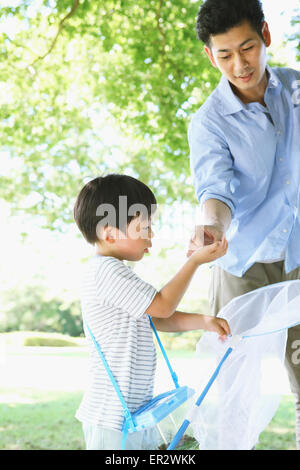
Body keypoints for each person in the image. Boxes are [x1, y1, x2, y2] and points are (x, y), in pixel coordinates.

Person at [187, 0, 300, 449]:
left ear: (266, 36)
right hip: (243, 265)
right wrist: (211, 228)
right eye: (225, 54)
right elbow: (215, 190)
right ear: (210, 56)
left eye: (247, 47)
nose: (239, 63)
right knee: (233, 387)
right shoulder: (209, 122)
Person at [73, 173, 230, 450]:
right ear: (110, 233)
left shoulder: (111, 271)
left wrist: (203, 321)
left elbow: (155, 317)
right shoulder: (106, 272)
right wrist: (194, 263)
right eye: (144, 227)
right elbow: (162, 305)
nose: (151, 235)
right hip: (112, 416)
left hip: (132, 412)